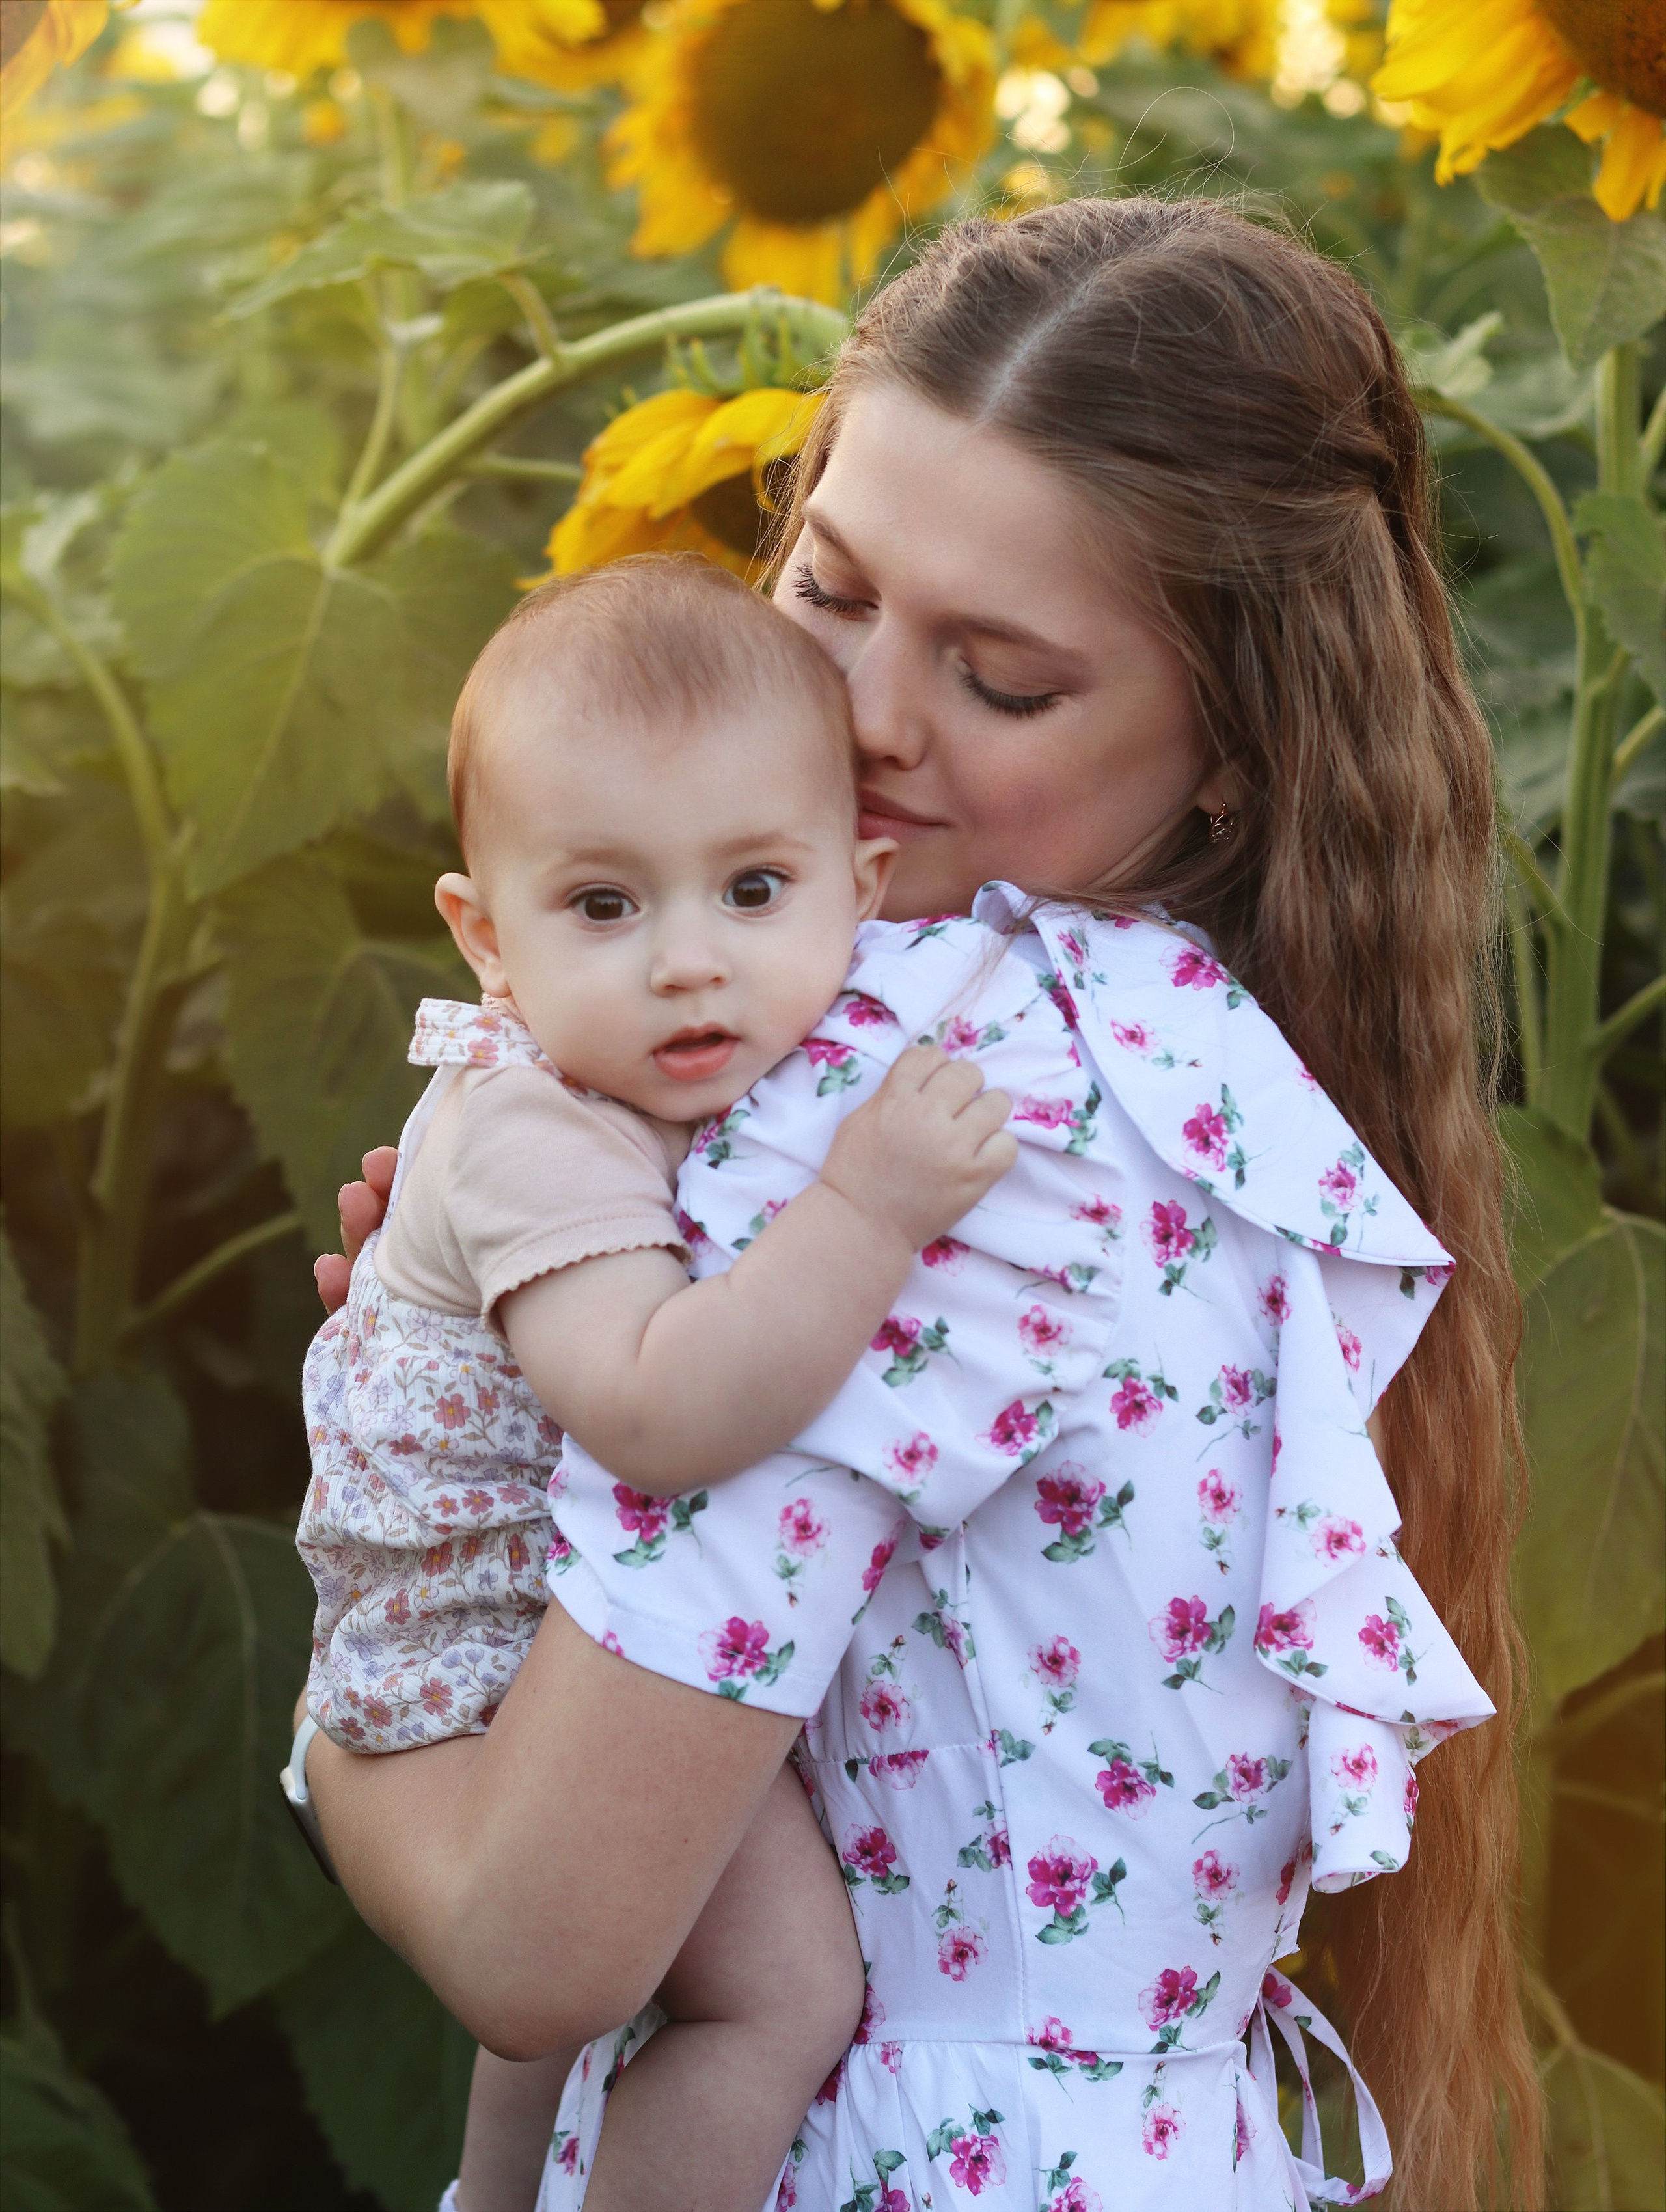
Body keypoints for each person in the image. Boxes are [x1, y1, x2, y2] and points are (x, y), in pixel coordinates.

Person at [305, 197, 1542, 2211]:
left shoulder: (908, 1118)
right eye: (831, 585)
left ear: (1232, 754)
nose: (869, 718)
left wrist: (385, 1587)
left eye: (1005, 679)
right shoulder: (1197, 1068)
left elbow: (540, 1939)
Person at [297, 558, 1017, 2212]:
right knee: (776, 1995)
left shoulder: (637, 1075)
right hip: (464, 1654)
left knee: (624, 2005)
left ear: (863, 874)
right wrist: (868, 1208)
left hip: (503, 1612)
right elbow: (652, 1409)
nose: (690, 964)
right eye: (605, 907)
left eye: (753, 891)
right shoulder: (534, 1128)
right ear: (486, 935)